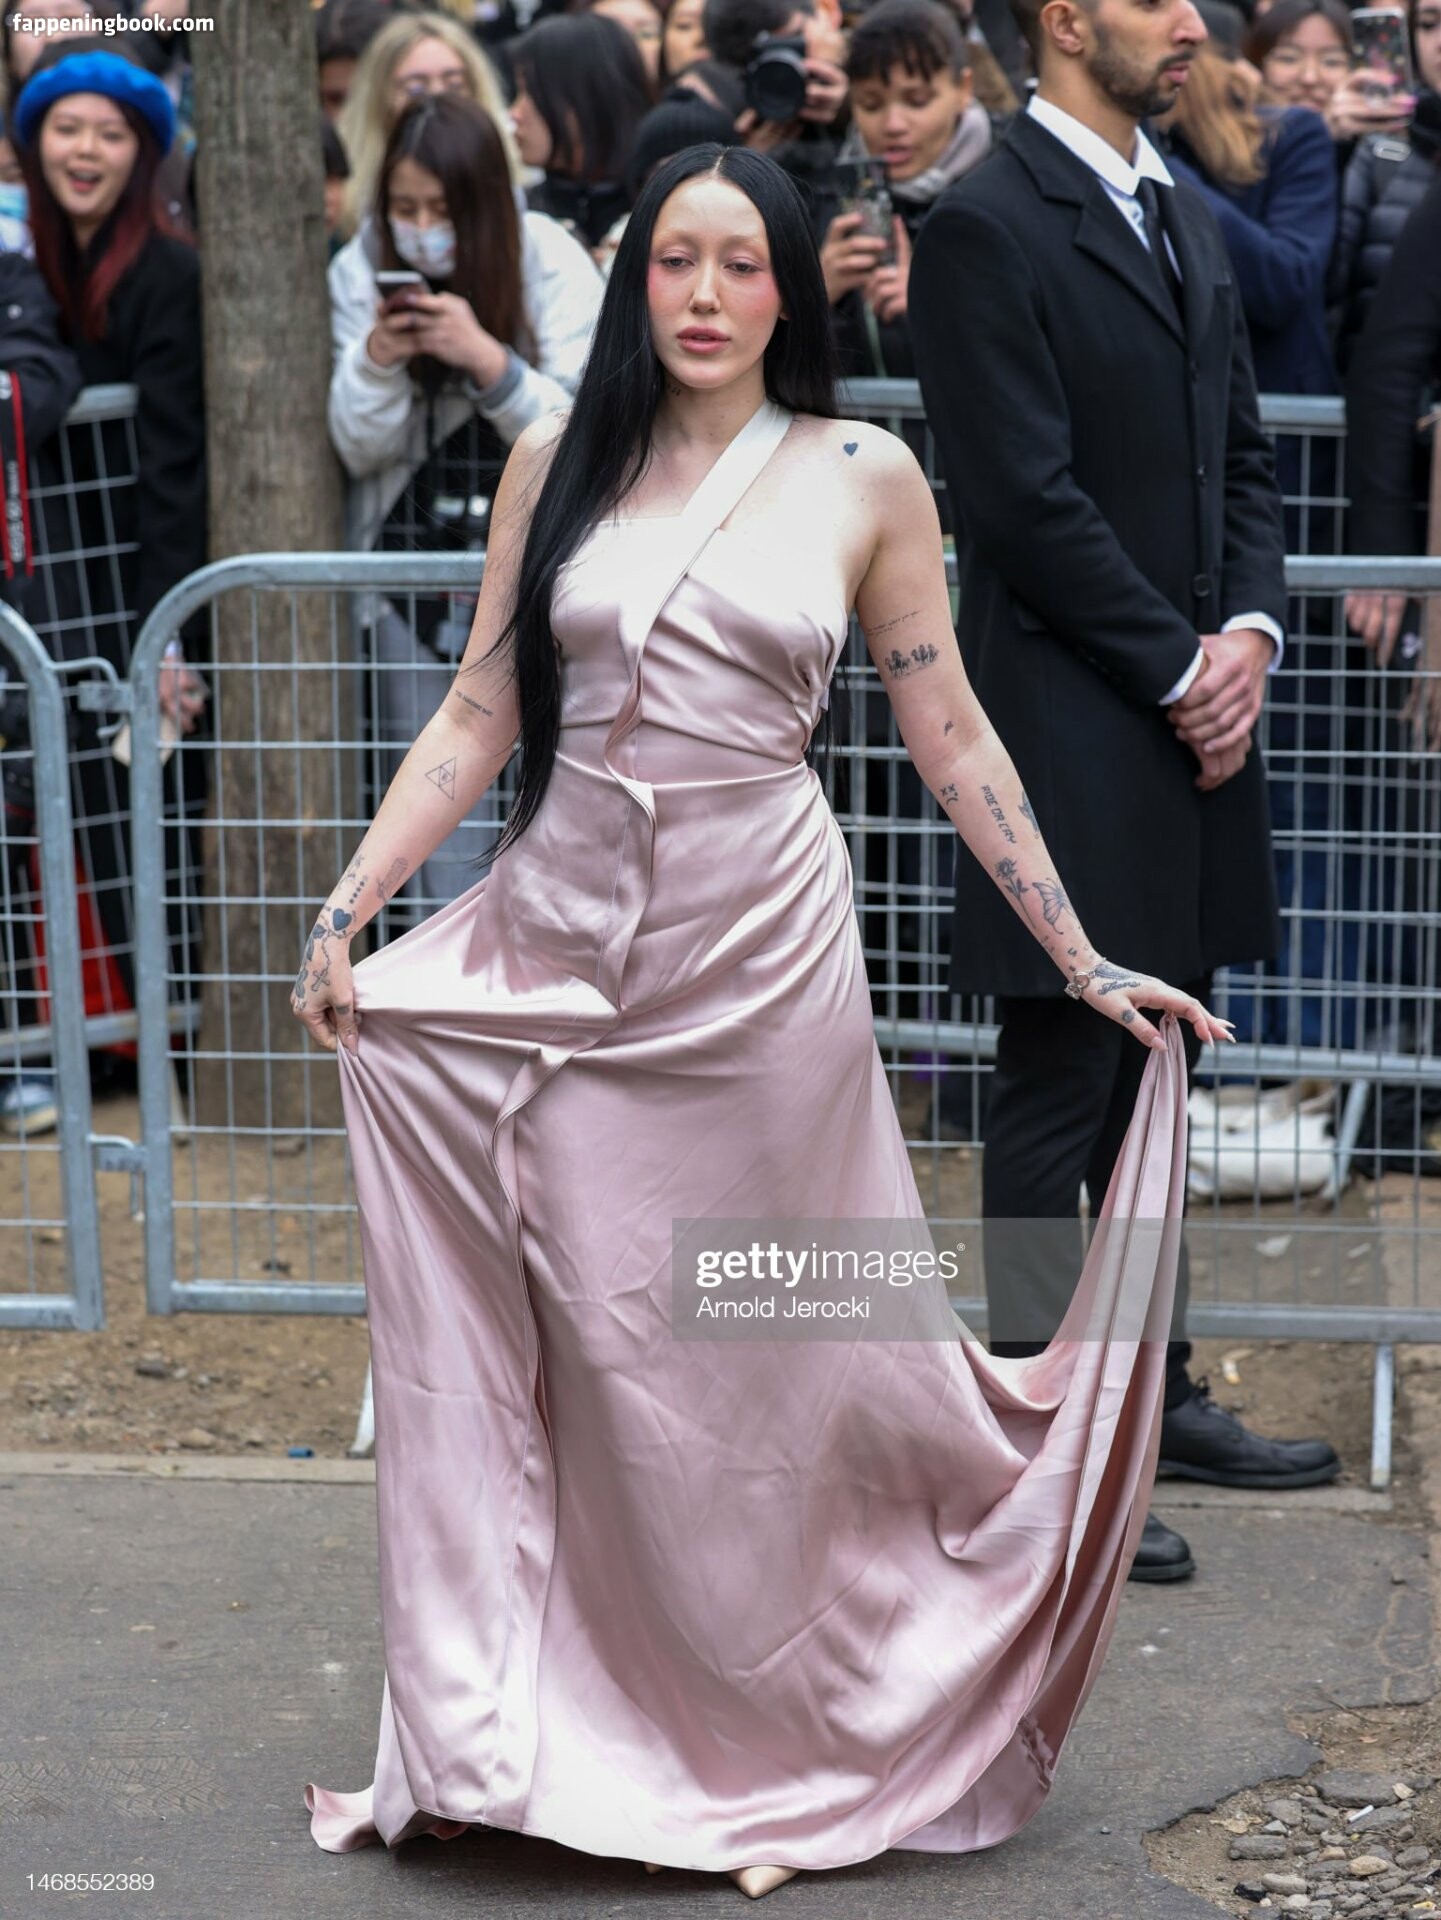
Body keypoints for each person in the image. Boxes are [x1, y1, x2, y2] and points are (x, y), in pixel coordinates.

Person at [298, 141, 1225, 1893]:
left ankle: (787, 1747)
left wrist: (1082, 958)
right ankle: (560, 1728)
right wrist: (346, 911)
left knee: (768, 1341)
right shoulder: (551, 463)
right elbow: (480, 714)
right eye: (675, 260)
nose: (707, 295)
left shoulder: (864, 474)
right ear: (633, 279)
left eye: (742, 262)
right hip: (568, 960)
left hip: (766, 967)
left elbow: (950, 730)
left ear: (791, 289)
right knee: (604, 1349)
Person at [909, 0, 1342, 1585]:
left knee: (1156, 1081)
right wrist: (1179, 668)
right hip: (1062, 732)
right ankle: (1042, 1451)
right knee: (1055, 1089)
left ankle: (1156, 1397)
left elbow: (1242, 458)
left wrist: (1248, 638)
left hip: (1186, 724)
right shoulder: (983, 224)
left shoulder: (1176, 207)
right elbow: (1018, 498)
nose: (1190, 22)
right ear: (1064, 20)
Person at [328, 92, 603, 915]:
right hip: (410, 590)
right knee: (441, 820)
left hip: (549, 577)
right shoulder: (356, 267)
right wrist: (378, 360)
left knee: (561, 805)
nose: (420, 229)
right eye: (405, 207)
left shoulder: (548, 256)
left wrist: (489, 362)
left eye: (442, 210)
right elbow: (357, 445)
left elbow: (582, 430)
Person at [13, 41, 208, 1108]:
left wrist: (166, 637)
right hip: (55, 587)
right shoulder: (33, 264)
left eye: (111, 132)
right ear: (31, 140)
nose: (85, 150)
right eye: (66, 127)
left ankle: (170, 1052)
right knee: (72, 819)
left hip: (138, 592)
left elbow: (177, 475)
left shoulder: (166, 273)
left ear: (143, 150)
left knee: (144, 825)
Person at [0, 249, 83, 1137]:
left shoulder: (11, 274)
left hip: (14, 612)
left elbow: (42, 383)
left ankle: (20, 1057)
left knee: (7, 838)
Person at [820, 0, 997, 380]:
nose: (893, 124)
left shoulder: (1009, 194)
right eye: (871, 104)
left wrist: (935, 308)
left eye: (917, 101)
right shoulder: (825, 199)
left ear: (963, 89)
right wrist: (812, 299)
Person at [334, 10, 521, 242]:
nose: (438, 97)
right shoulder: (348, 208)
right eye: (416, 89)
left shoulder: (522, 203)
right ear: (380, 98)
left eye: (454, 85)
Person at [1328, 0, 1441, 374]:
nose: (1439, 41)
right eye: (1428, 23)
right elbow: (1316, 288)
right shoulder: (1378, 151)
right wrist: (1331, 149)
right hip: (1383, 395)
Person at [507, 12, 654, 250]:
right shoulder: (519, 215)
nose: (515, 113)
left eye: (529, 92)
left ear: (582, 98)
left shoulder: (659, 209)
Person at [1245, 0, 1412, 171]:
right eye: (1289, 58)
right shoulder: (1235, 146)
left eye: (1332, 62)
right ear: (1256, 66)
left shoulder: (1381, 149)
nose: (1309, 78)